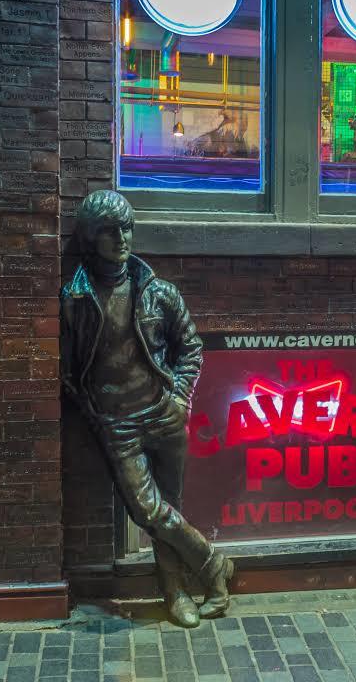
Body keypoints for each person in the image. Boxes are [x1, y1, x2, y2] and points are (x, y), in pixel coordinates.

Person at [61, 190, 234, 628]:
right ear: (90, 237)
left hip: (164, 414)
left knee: (167, 509)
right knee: (148, 511)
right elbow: (67, 370)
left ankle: (177, 593)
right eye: (109, 231)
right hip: (118, 424)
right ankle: (214, 564)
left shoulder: (158, 293)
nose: (122, 238)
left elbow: (191, 348)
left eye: (127, 228)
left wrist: (179, 397)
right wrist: (97, 412)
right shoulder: (75, 299)